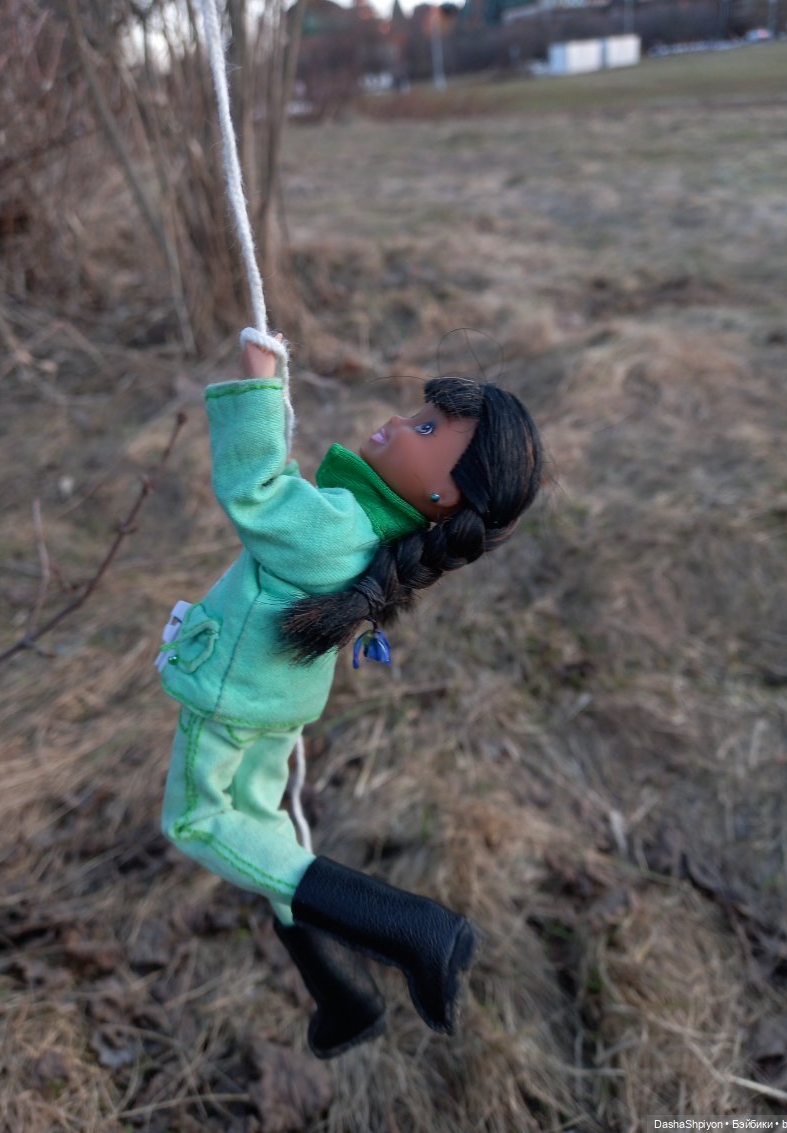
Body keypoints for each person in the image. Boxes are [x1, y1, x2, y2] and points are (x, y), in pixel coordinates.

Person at [159, 332, 544, 1058]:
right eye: (418, 414)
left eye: (426, 430)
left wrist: (257, 387)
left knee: (197, 820)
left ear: (445, 495)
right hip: (273, 704)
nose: (400, 422)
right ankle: (341, 992)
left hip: (232, 698)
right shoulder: (375, 531)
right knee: (263, 830)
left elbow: (254, 491)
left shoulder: (337, 528)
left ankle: (408, 927)